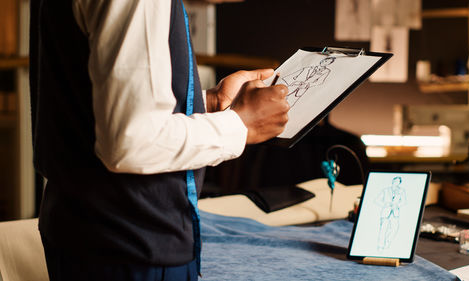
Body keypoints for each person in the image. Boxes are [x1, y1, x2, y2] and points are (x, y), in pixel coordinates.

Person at [29, 0, 289, 280]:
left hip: (85, 233)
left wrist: (209, 102)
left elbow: (101, 107)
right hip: (129, 246)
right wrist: (240, 124)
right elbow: (132, 142)